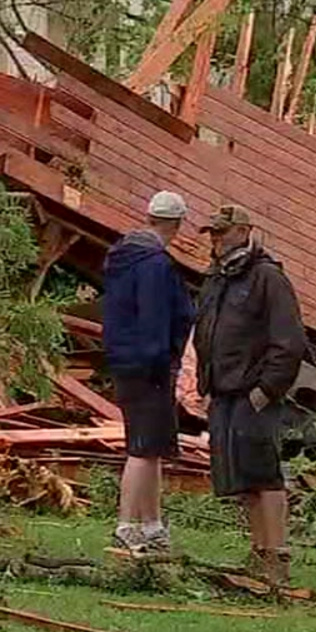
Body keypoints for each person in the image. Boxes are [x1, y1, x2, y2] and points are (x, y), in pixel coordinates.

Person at [193, 204, 307, 587]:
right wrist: (205, 385)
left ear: (244, 232)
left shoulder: (267, 277)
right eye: (212, 232)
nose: (216, 239)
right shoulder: (216, 278)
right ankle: (258, 552)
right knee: (241, 480)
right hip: (223, 393)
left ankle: (277, 556)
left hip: (253, 393)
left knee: (264, 476)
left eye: (222, 232)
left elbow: (289, 341)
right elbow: (205, 333)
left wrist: (266, 390)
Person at [101, 190, 195, 554]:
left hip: (124, 360)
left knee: (151, 446)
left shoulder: (122, 257)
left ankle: (152, 525)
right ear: (177, 223)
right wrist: (162, 361)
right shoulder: (155, 264)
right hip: (149, 366)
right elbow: (155, 317)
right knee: (141, 447)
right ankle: (127, 525)